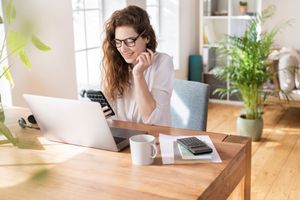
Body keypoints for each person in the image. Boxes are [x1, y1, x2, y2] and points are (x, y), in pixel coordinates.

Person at [102, 5, 174, 126]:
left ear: (147, 38)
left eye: (130, 41)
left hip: (153, 138)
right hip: (123, 135)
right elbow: (111, 115)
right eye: (118, 42)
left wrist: (138, 74)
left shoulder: (163, 62)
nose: (123, 49)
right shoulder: (116, 64)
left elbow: (151, 119)